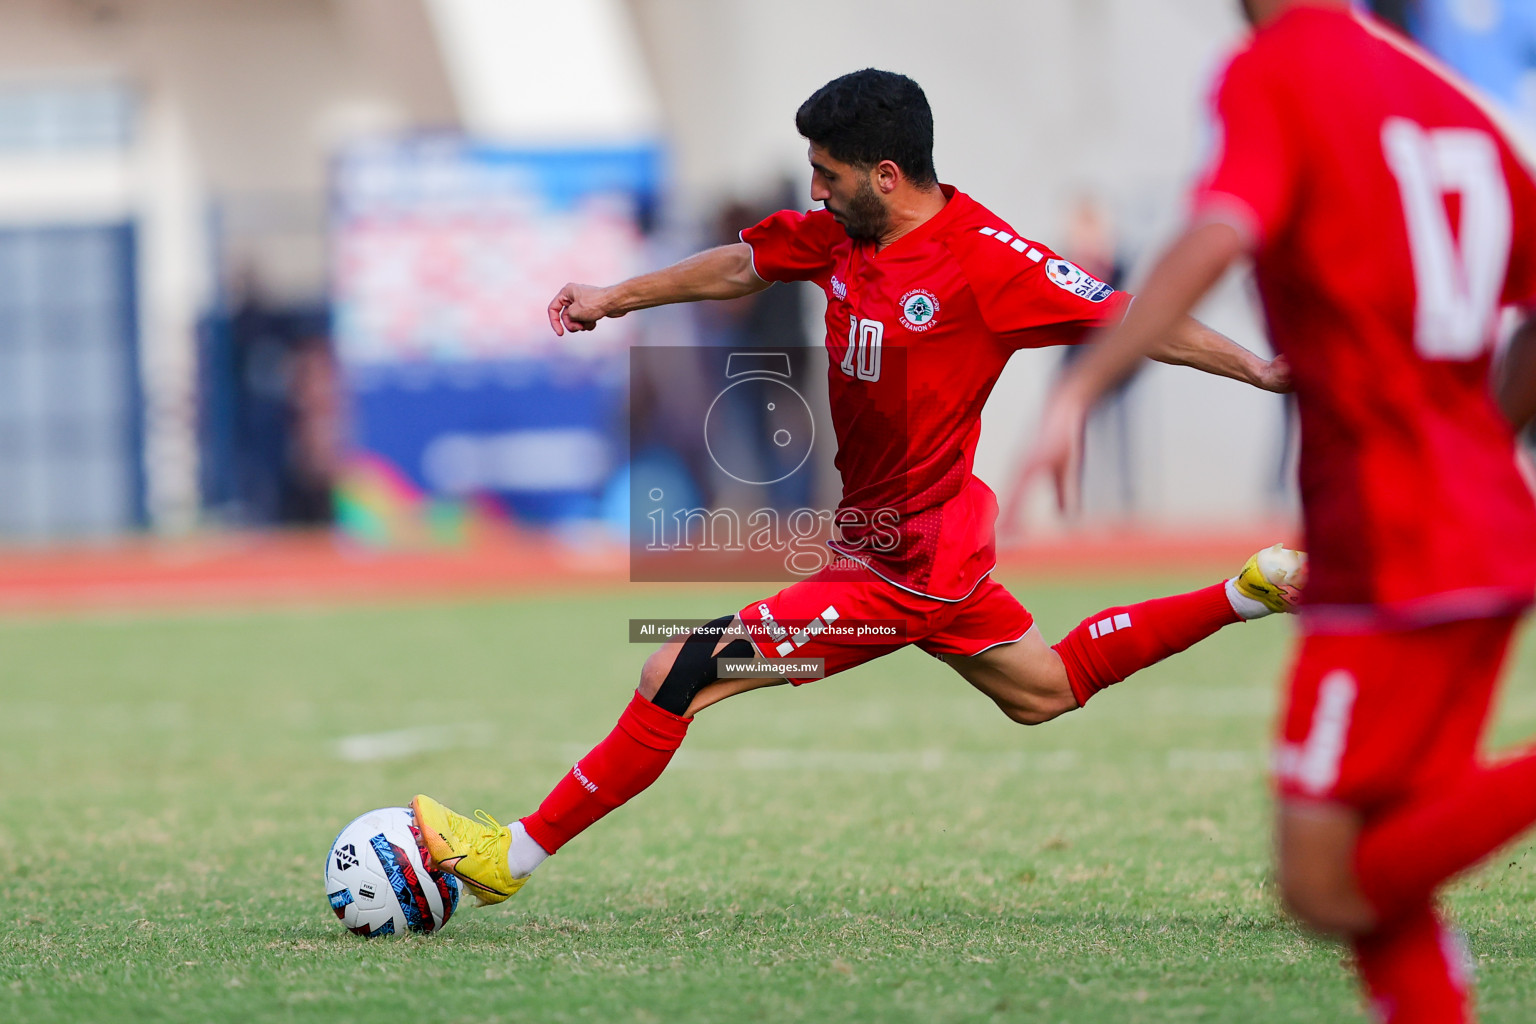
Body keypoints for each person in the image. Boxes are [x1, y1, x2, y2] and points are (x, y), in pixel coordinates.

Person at [411, 69, 1301, 912]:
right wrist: (617, 296)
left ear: (886, 174)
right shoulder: (842, 233)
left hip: (901, 570)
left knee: (677, 668)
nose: (815, 191)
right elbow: (738, 267)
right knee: (1045, 688)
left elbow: (1135, 316)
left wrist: (1257, 369)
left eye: (827, 174)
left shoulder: (989, 264)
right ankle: (1247, 591)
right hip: (907, 546)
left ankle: (509, 859)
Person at [1018, 4, 1536, 1022]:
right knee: (1387, 876)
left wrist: (1085, 385)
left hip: (1396, 544)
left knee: (1322, 880)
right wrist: (1488, 433)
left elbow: (1222, 226)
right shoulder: (1444, 94)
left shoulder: (1280, 68)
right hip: (1473, 526)